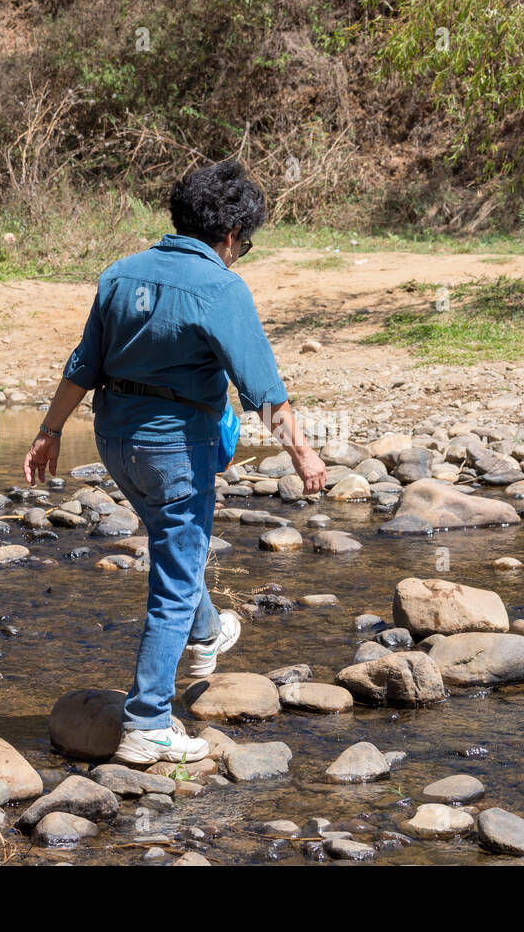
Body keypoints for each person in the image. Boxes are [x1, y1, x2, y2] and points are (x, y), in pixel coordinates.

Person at [22, 159, 327, 765]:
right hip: (175, 449)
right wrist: (303, 450)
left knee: (172, 544)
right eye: (247, 244)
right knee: (174, 579)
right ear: (232, 236)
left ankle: (209, 632)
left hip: (114, 440)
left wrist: (49, 431)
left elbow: (83, 363)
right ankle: (147, 723)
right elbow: (262, 389)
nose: (241, 255)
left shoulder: (120, 273)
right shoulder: (220, 287)